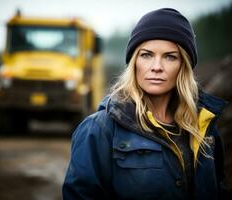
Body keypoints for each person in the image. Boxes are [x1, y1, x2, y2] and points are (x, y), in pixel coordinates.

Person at [62, 8, 227, 200]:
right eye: (146, 55)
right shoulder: (99, 129)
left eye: (170, 56)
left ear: (184, 66)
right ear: (134, 62)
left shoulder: (204, 128)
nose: (156, 67)